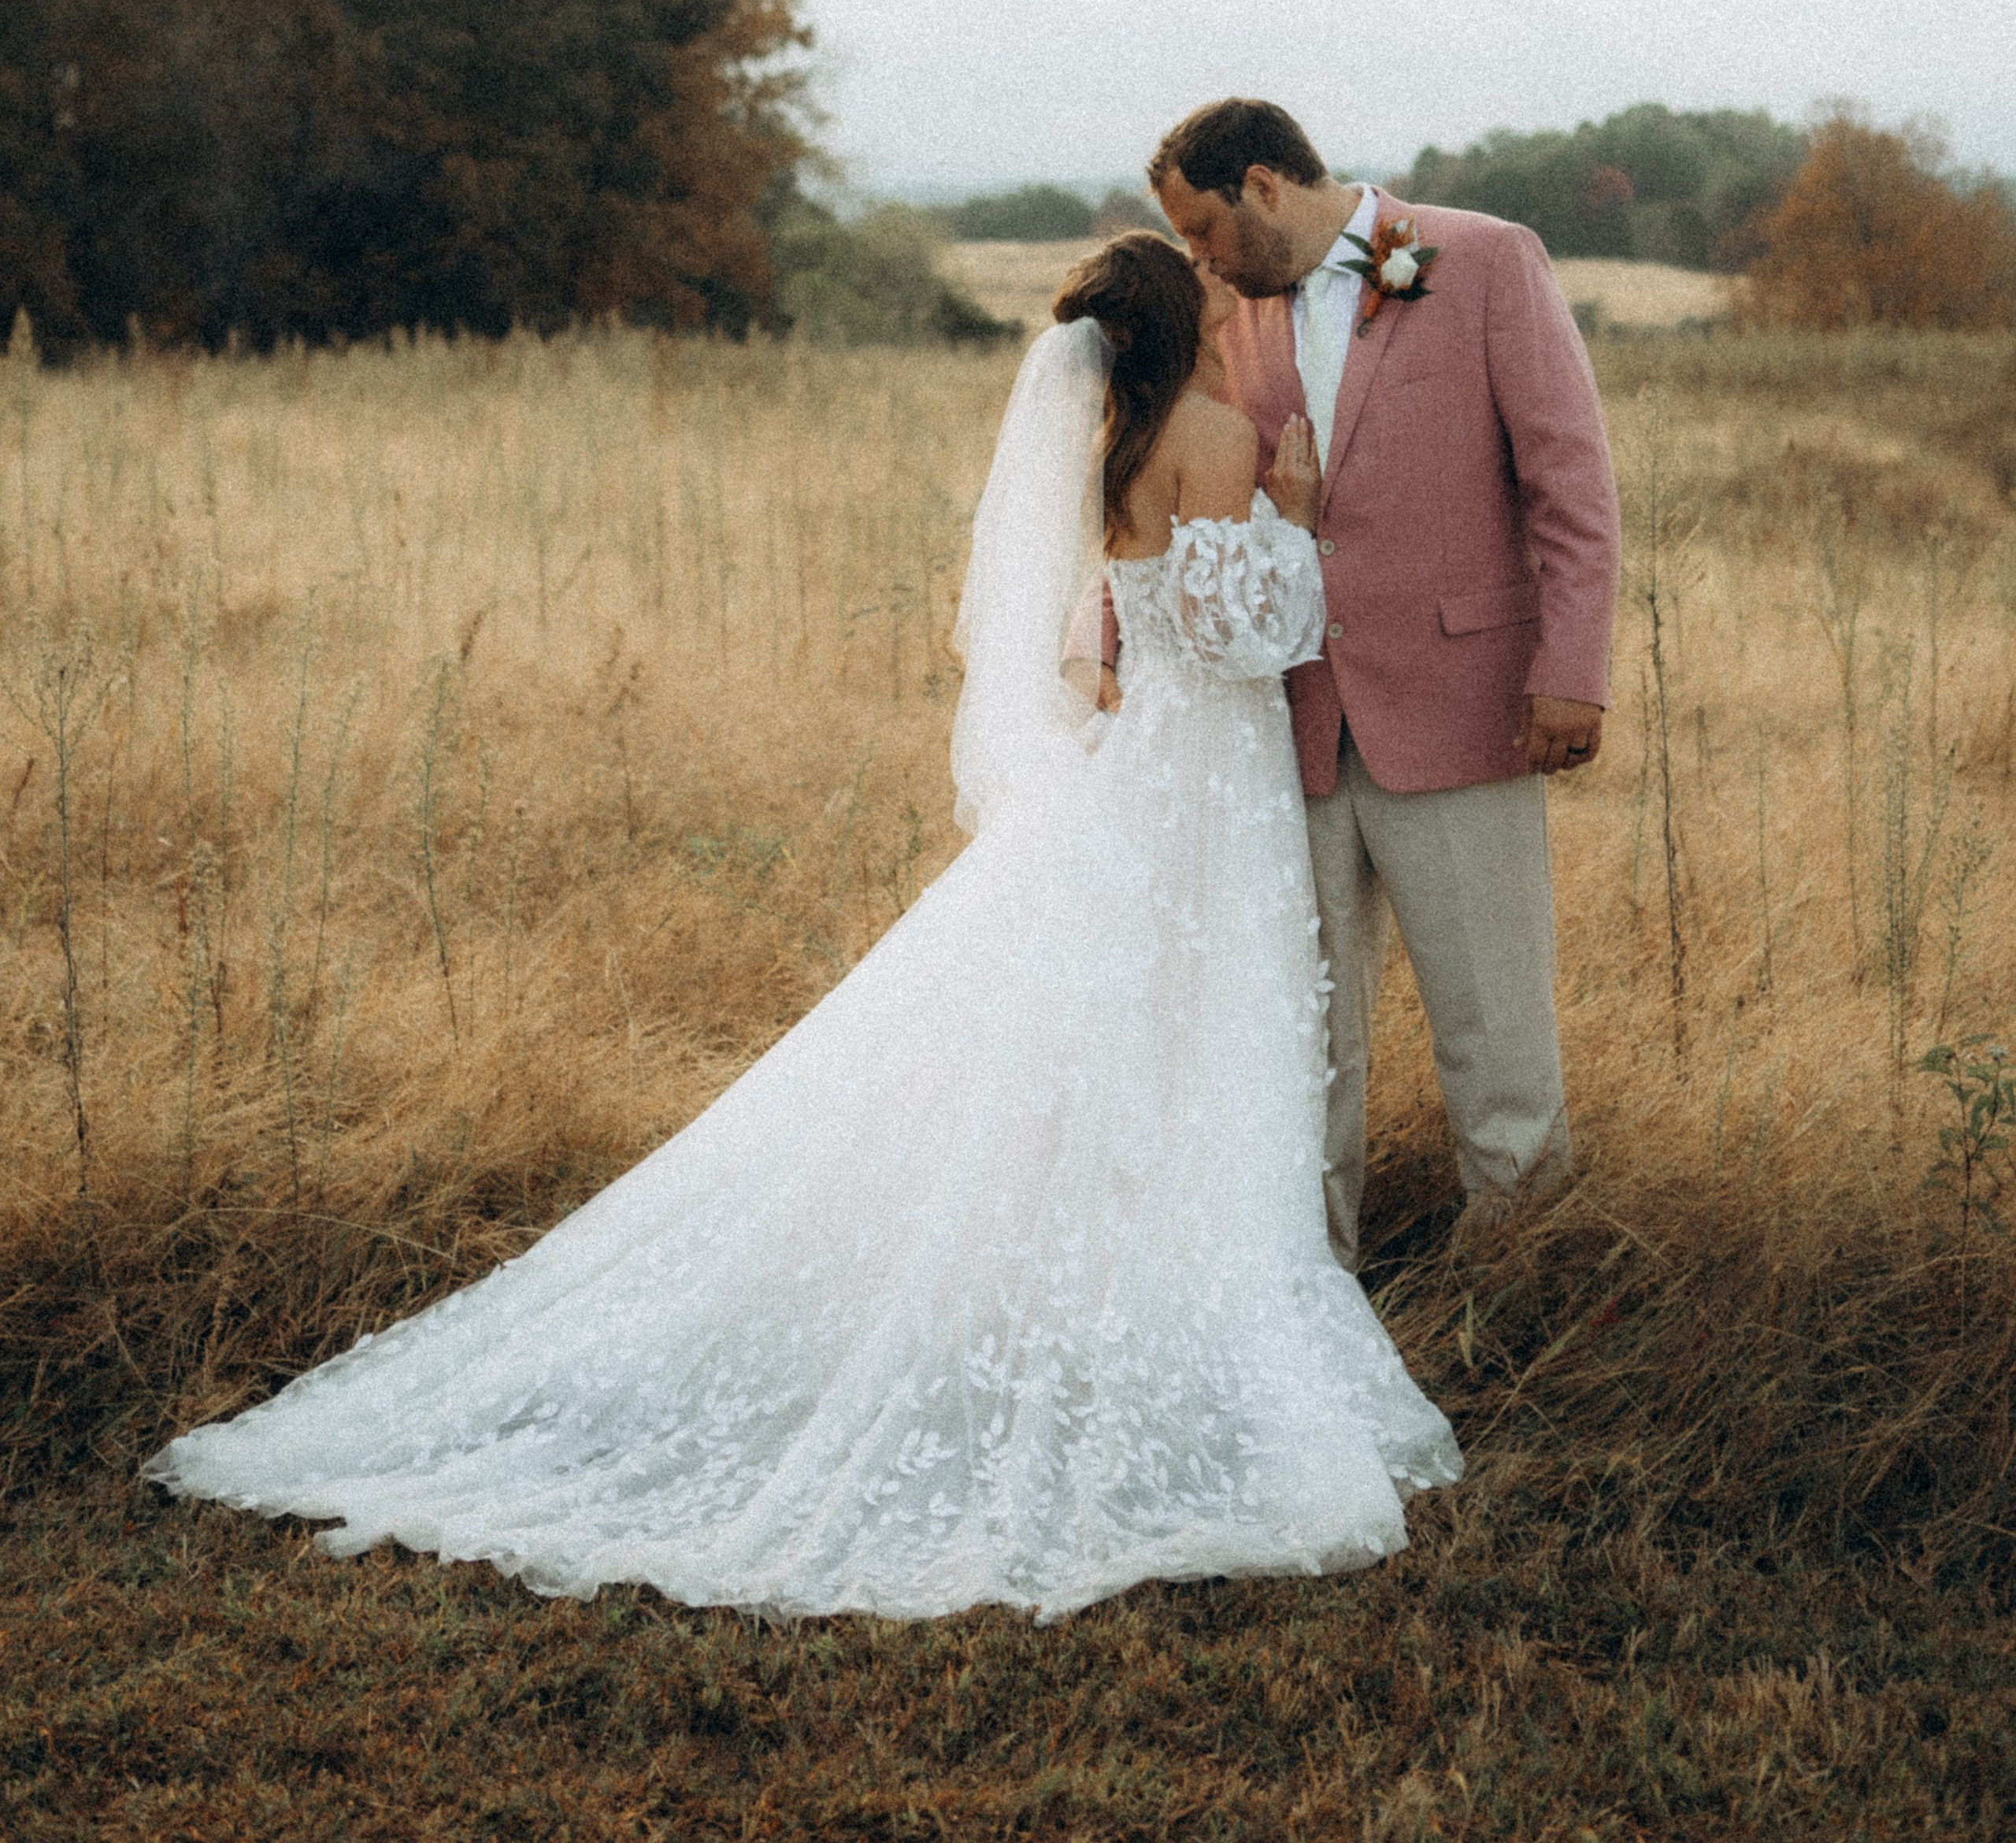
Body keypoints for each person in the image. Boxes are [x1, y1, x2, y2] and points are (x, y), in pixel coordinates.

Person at [147, 232, 1458, 1621]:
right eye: (1199, 294)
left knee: (1122, 1021)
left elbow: (1135, 611)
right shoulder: (1216, 434)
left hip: (1147, 774)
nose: (1217, 304)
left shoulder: (1118, 445)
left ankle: (1095, 1280)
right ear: (1171, 322)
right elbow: (1241, 630)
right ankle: (1180, 1295)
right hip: (1208, 779)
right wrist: (1299, 522)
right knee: (1210, 1021)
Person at [1080, 102, 1621, 1271]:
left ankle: (1522, 1300)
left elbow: (1571, 480)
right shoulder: (1234, 318)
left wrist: (1572, 669)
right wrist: (1110, 640)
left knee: (1495, 1036)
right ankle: (1310, 1300)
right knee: (1302, 1043)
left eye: (1204, 231)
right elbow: (1149, 478)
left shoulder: (1484, 259)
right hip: (1287, 734)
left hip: (1468, 712)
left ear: (1264, 186)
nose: (1198, 264)